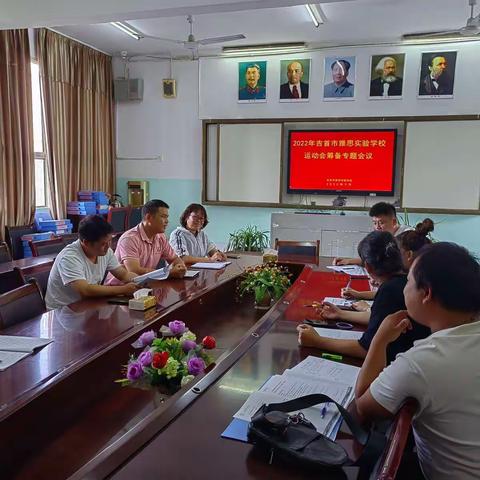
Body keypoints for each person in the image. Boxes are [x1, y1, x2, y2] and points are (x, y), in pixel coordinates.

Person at [355, 242, 480, 480]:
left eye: (409, 282)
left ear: (427, 293)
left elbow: (363, 407)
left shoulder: (424, 361)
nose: (404, 289)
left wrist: (379, 340)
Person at [297, 231, 430, 362]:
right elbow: (381, 319)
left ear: (368, 267)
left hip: (398, 364)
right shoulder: (406, 279)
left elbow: (366, 349)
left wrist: (317, 341)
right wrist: (340, 314)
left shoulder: (390, 290)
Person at [45, 215, 140, 310]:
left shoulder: (105, 251)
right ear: (86, 242)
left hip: (88, 304)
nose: (108, 247)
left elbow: (123, 274)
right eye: (103, 244)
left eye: (110, 241)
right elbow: (85, 290)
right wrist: (124, 289)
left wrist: (140, 281)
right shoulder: (69, 257)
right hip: (63, 311)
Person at [342, 218, 434, 300]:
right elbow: (387, 293)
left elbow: (388, 296)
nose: (393, 255)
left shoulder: (415, 283)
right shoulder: (409, 276)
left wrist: (365, 308)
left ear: (409, 255)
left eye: (397, 252)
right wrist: (359, 294)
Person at [106, 199, 186, 285]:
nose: (167, 221)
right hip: (119, 289)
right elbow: (134, 270)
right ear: (148, 217)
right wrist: (167, 273)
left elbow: (174, 259)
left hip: (144, 285)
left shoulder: (160, 237)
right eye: (163, 217)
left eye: (167, 217)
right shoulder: (130, 239)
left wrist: (181, 267)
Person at [334, 202, 412, 266]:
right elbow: (373, 258)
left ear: (394, 222)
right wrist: (348, 261)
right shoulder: (381, 236)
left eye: (381, 223)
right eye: (374, 223)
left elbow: (390, 262)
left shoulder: (407, 234)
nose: (377, 227)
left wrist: (351, 261)